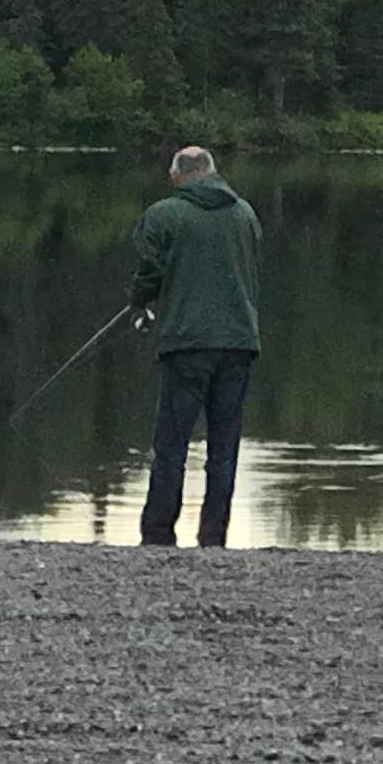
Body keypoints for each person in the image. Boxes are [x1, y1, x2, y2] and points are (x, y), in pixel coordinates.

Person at [126, 144, 263, 548]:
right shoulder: (246, 215)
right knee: (224, 445)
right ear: (213, 172)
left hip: (186, 343)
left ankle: (157, 533)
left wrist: (139, 302)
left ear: (178, 176)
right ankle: (213, 535)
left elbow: (149, 270)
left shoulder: (164, 214)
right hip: (239, 342)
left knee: (172, 442)